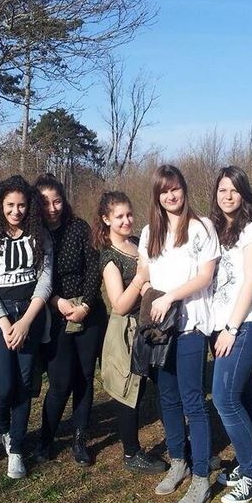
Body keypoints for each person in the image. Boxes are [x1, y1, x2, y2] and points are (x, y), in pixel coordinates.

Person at [138, 164, 220, 503]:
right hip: (160, 330)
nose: (170, 196)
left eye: (175, 189)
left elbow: (205, 276)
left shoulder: (201, 228)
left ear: (184, 189)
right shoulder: (149, 232)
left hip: (190, 326)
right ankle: (178, 461)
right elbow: (144, 272)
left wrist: (170, 297)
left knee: (193, 401)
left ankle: (201, 477)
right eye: (164, 191)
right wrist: (147, 292)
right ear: (156, 196)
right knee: (167, 398)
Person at [0, 175, 53, 480]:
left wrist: (25, 322)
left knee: (24, 385)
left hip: (29, 315)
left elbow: (45, 281)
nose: (16, 211)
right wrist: (6, 323)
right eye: (10, 205)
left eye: (21, 205)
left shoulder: (39, 235)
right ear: (1, 205)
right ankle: (4, 429)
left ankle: (17, 449)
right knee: (3, 386)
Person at [209, 166, 252, 503]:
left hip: (245, 324)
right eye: (222, 190)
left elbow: (251, 280)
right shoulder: (220, 229)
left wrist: (231, 329)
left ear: (244, 194)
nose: (228, 196)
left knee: (224, 399)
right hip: (223, 325)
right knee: (245, 397)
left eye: (234, 190)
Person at [34, 173, 106, 466]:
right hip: (55, 314)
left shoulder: (79, 228)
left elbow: (93, 269)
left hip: (89, 312)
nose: (52, 208)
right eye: (45, 202)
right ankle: (45, 439)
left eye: (57, 201)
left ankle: (79, 438)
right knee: (60, 381)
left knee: (84, 377)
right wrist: (57, 302)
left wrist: (85, 305)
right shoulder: (34, 235)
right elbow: (34, 278)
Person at [92, 191, 166, 474]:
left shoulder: (137, 243)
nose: (126, 221)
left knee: (158, 384)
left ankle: (179, 442)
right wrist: (140, 278)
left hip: (150, 326)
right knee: (129, 391)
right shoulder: (110, 257)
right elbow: (119, 305)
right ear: (106, 219)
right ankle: (131, 453)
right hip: (127, 330)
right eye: (119, 216)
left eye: (129, 214)